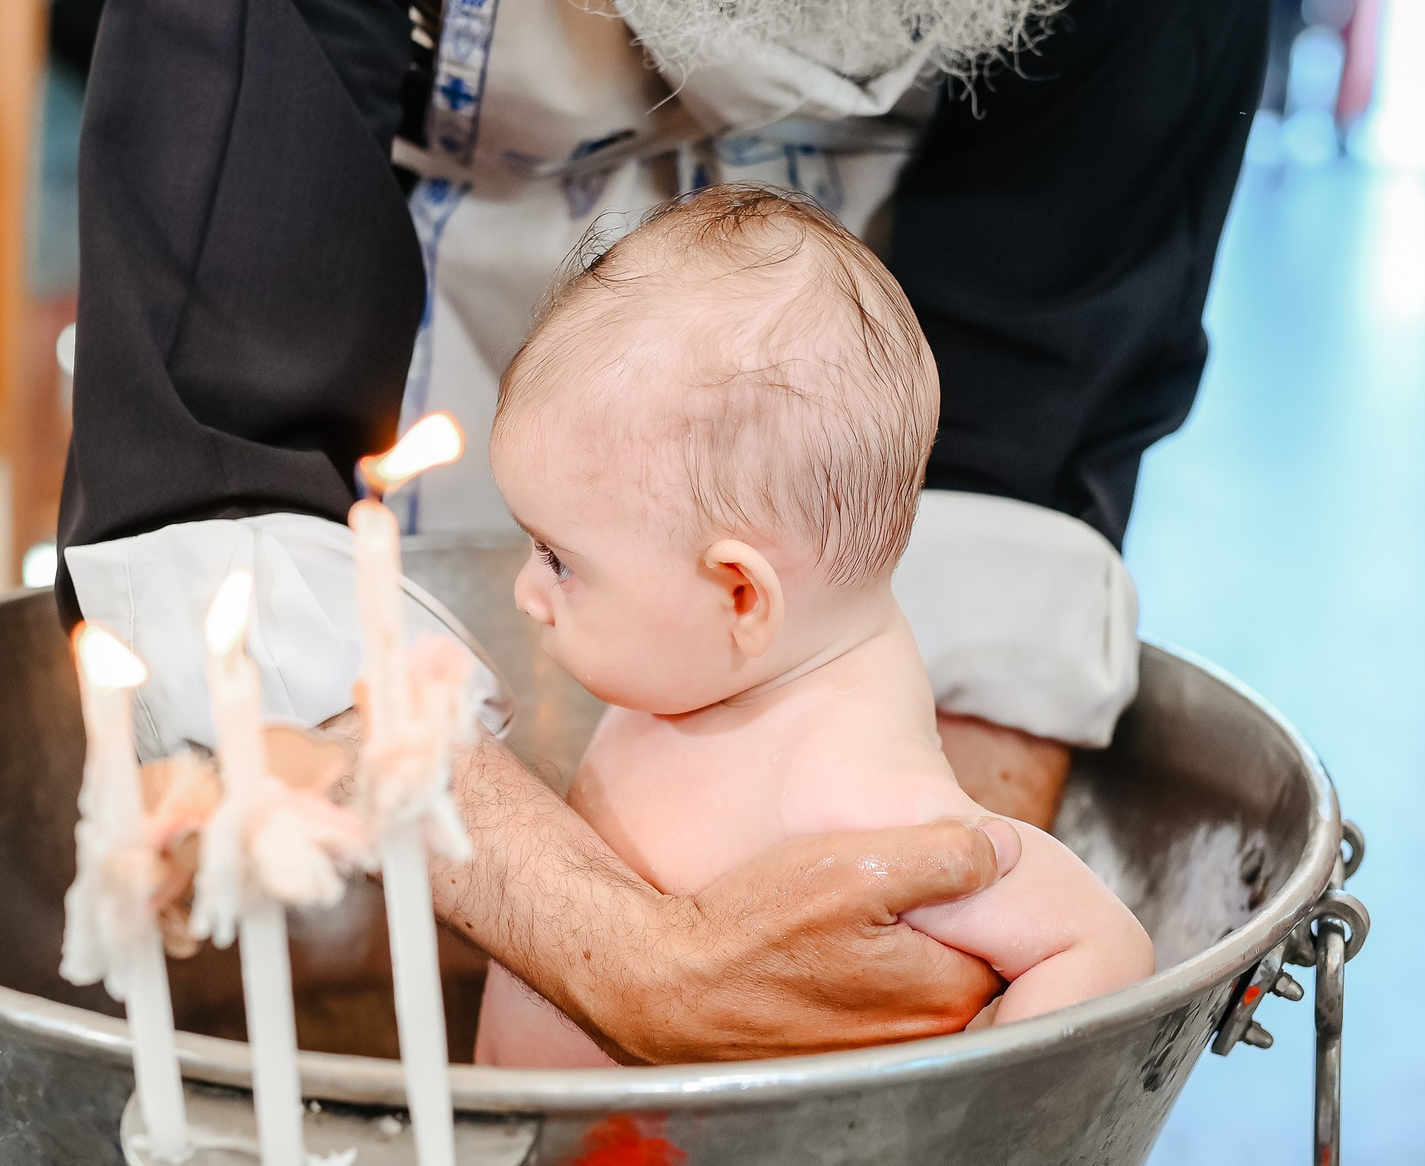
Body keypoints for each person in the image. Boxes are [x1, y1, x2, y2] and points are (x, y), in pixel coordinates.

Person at [55, 0, 1308, 1058]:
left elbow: (1057, 338)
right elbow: (214, 426)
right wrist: (630, 955)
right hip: (421, 330)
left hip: (879, 418)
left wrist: (901, 967)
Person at [473, 186, 1155, 1067]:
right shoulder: (699, 672)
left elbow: (1099, 946)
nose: (529, 591)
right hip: (553, 1164)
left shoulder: (851, 785)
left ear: (739, 596)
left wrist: (958, 1099)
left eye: (557, 558)